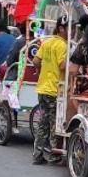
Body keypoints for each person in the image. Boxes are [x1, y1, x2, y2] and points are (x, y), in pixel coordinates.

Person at [32, 17, 69, 165]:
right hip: (54, 88)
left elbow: (35, 61)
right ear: (61, 28)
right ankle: (54, 155)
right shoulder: (62, 45)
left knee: (42, 123)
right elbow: (61, 66)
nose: (72, 31)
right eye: (69, 28)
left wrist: (40, 71)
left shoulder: (46, 43)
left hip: (42, 88)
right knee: (54, 122)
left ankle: (38, 154)